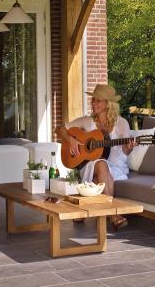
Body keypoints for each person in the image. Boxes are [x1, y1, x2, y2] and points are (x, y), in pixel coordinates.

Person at [55, 84, 136, 230]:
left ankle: (82, 210)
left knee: (99, 177)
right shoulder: (87, 121)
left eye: (98, 101)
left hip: (116, 166)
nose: (93, 103)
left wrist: (129, 148)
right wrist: (71, 140)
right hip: (90, 165)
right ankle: (113, 215)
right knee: (100, 164)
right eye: (93, 100)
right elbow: (59, 129)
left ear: (108, 104)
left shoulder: (122, 123)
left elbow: (125, 152)